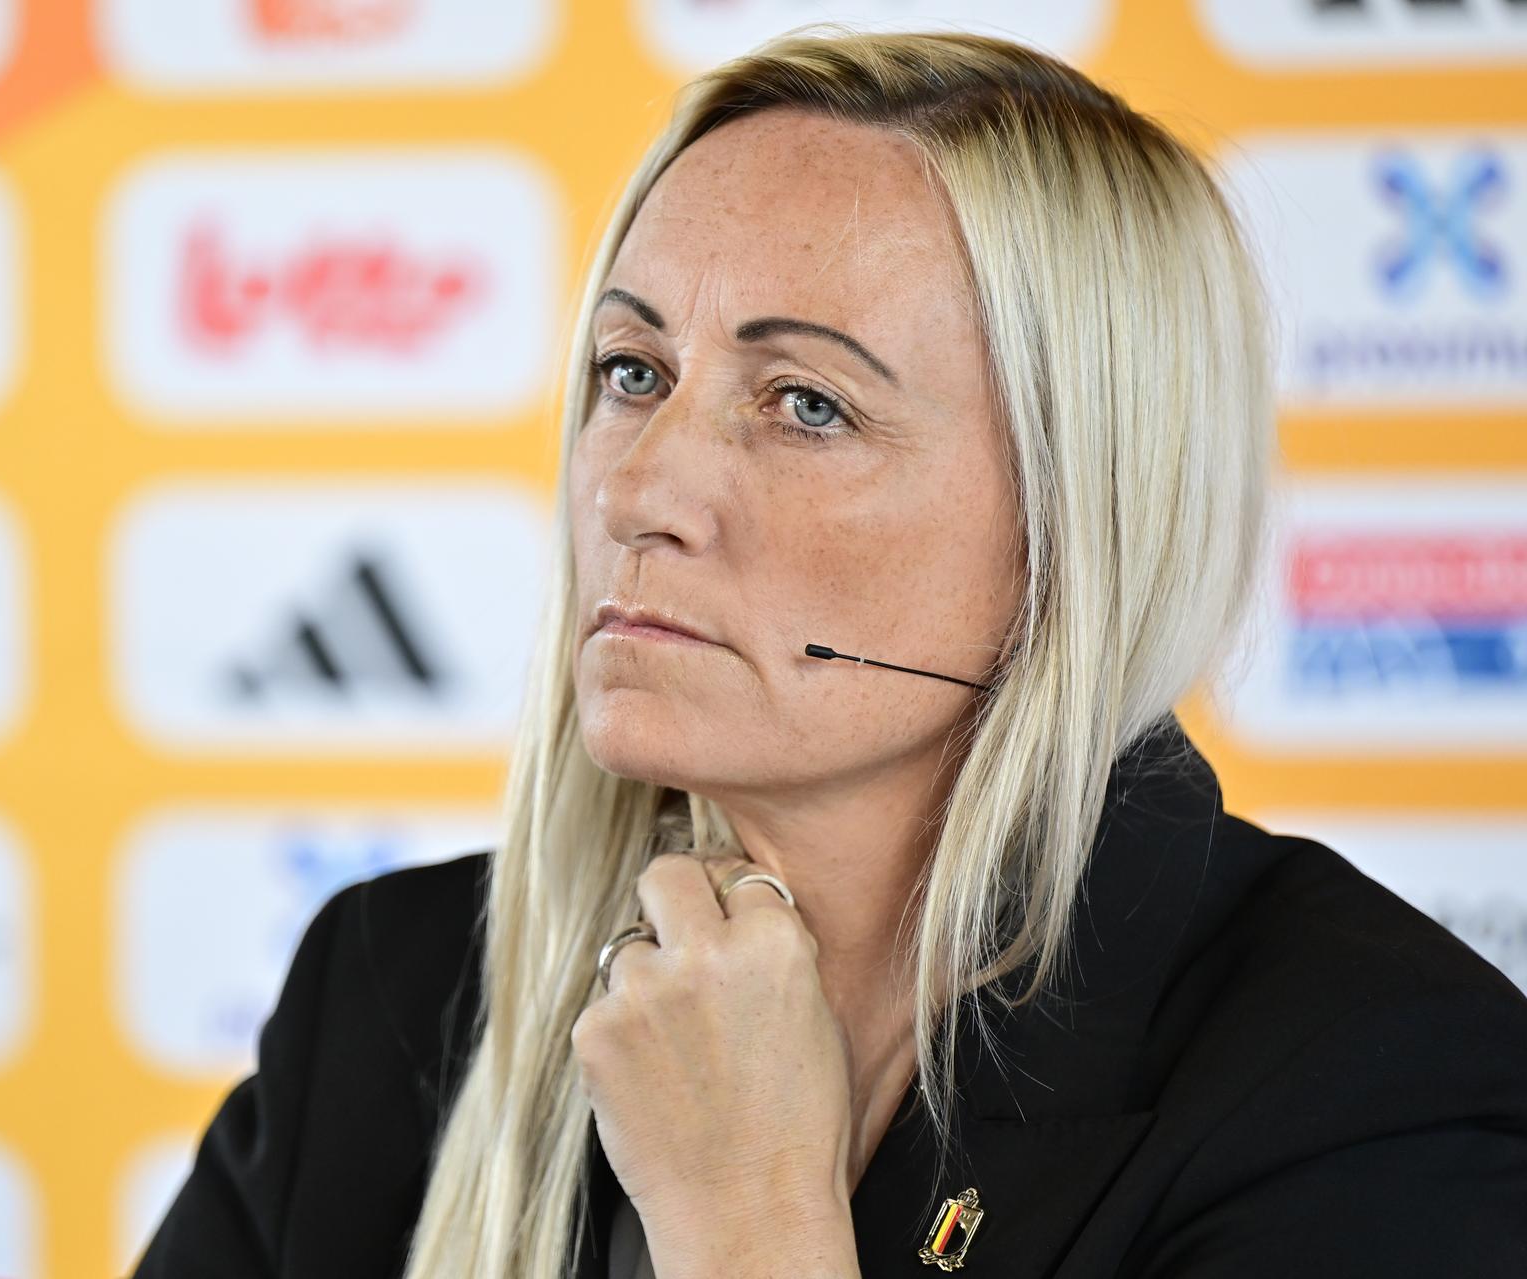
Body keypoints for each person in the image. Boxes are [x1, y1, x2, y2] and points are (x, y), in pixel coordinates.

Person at [131, 26, 1527, 1279]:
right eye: (634, 373)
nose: (638, 492)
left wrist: (746, 1222)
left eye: (805, 404)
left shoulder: (1371, 1081)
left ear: (1081, 514)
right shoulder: (393, 987)